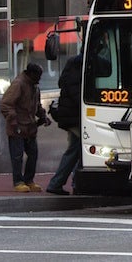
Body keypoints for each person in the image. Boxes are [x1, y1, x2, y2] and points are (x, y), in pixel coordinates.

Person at [0, 62, 51, 193]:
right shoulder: (19, 84)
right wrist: (13, 121)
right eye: (38, 76)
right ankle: (18, 181)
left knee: (33, 154)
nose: (39, 79)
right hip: (17, 126)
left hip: (29, 127)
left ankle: (29, 180)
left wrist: (43, 116)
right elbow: (6, 103)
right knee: (17, 156)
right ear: (31, 74)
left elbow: (36, 105)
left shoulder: (34, 87)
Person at [46, 54, 82, 195]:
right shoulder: (75, 79)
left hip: (71, 120)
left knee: (75, 150)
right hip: (75, 120)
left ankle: (65, 182)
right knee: (75, 151)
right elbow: (79, 98)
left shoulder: (68, 77)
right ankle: (61, 183)